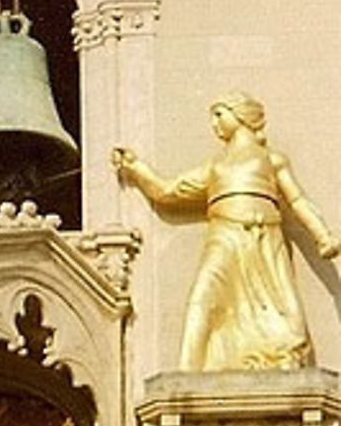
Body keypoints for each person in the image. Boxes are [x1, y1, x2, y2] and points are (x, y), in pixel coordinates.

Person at [113, 92, 339, 371]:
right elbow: (167, 190)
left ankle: (284, 355)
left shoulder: (272, 160)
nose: (214, 123)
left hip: (264, 237)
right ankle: (190, 372)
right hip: (224, 236)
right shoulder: (216, 166)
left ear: (240, 114)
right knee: (203, 295)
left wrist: (323, 235)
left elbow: (297, 200)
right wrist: (137, 168)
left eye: (219, 114)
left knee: (283, 310)